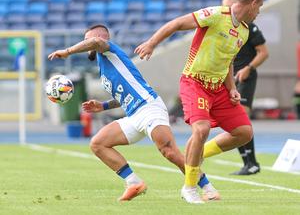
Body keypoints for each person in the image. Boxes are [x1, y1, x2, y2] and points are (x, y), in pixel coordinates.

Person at [48, 24, 219, 202]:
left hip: (149, 107)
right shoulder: (103, 64)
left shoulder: (109, 50)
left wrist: (67, 51)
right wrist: (104, 106)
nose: (87, 44)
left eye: (88, 40)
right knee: (98, 144)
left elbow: (96, 41)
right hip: (134, 115)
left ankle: (208, 188)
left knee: (169, 152)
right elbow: (125, 95)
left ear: (101, 39)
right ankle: (134, 182)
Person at [135, 0, 263, 204]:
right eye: (259, 7)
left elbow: (228, 62)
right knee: (201, 128)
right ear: (252, 3)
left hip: (219, 88)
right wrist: (151, 43)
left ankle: (198, 151)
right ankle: (190, 187)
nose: (259, 12)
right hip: (195, 82)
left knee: (244, 132)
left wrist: (231, 87)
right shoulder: (214, 14)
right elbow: (176, 24)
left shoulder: (243, 30)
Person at [222, 0, 269, 175]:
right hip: (229, 78)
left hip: (245, 77)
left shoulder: (249, 27)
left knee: (241, 118)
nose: (227, 9)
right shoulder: (222, 25)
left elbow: (264, 52)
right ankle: (248, 163)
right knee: (234, 122)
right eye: (224, 6)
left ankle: (252, 163)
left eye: (229, 5)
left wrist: (248, 68)